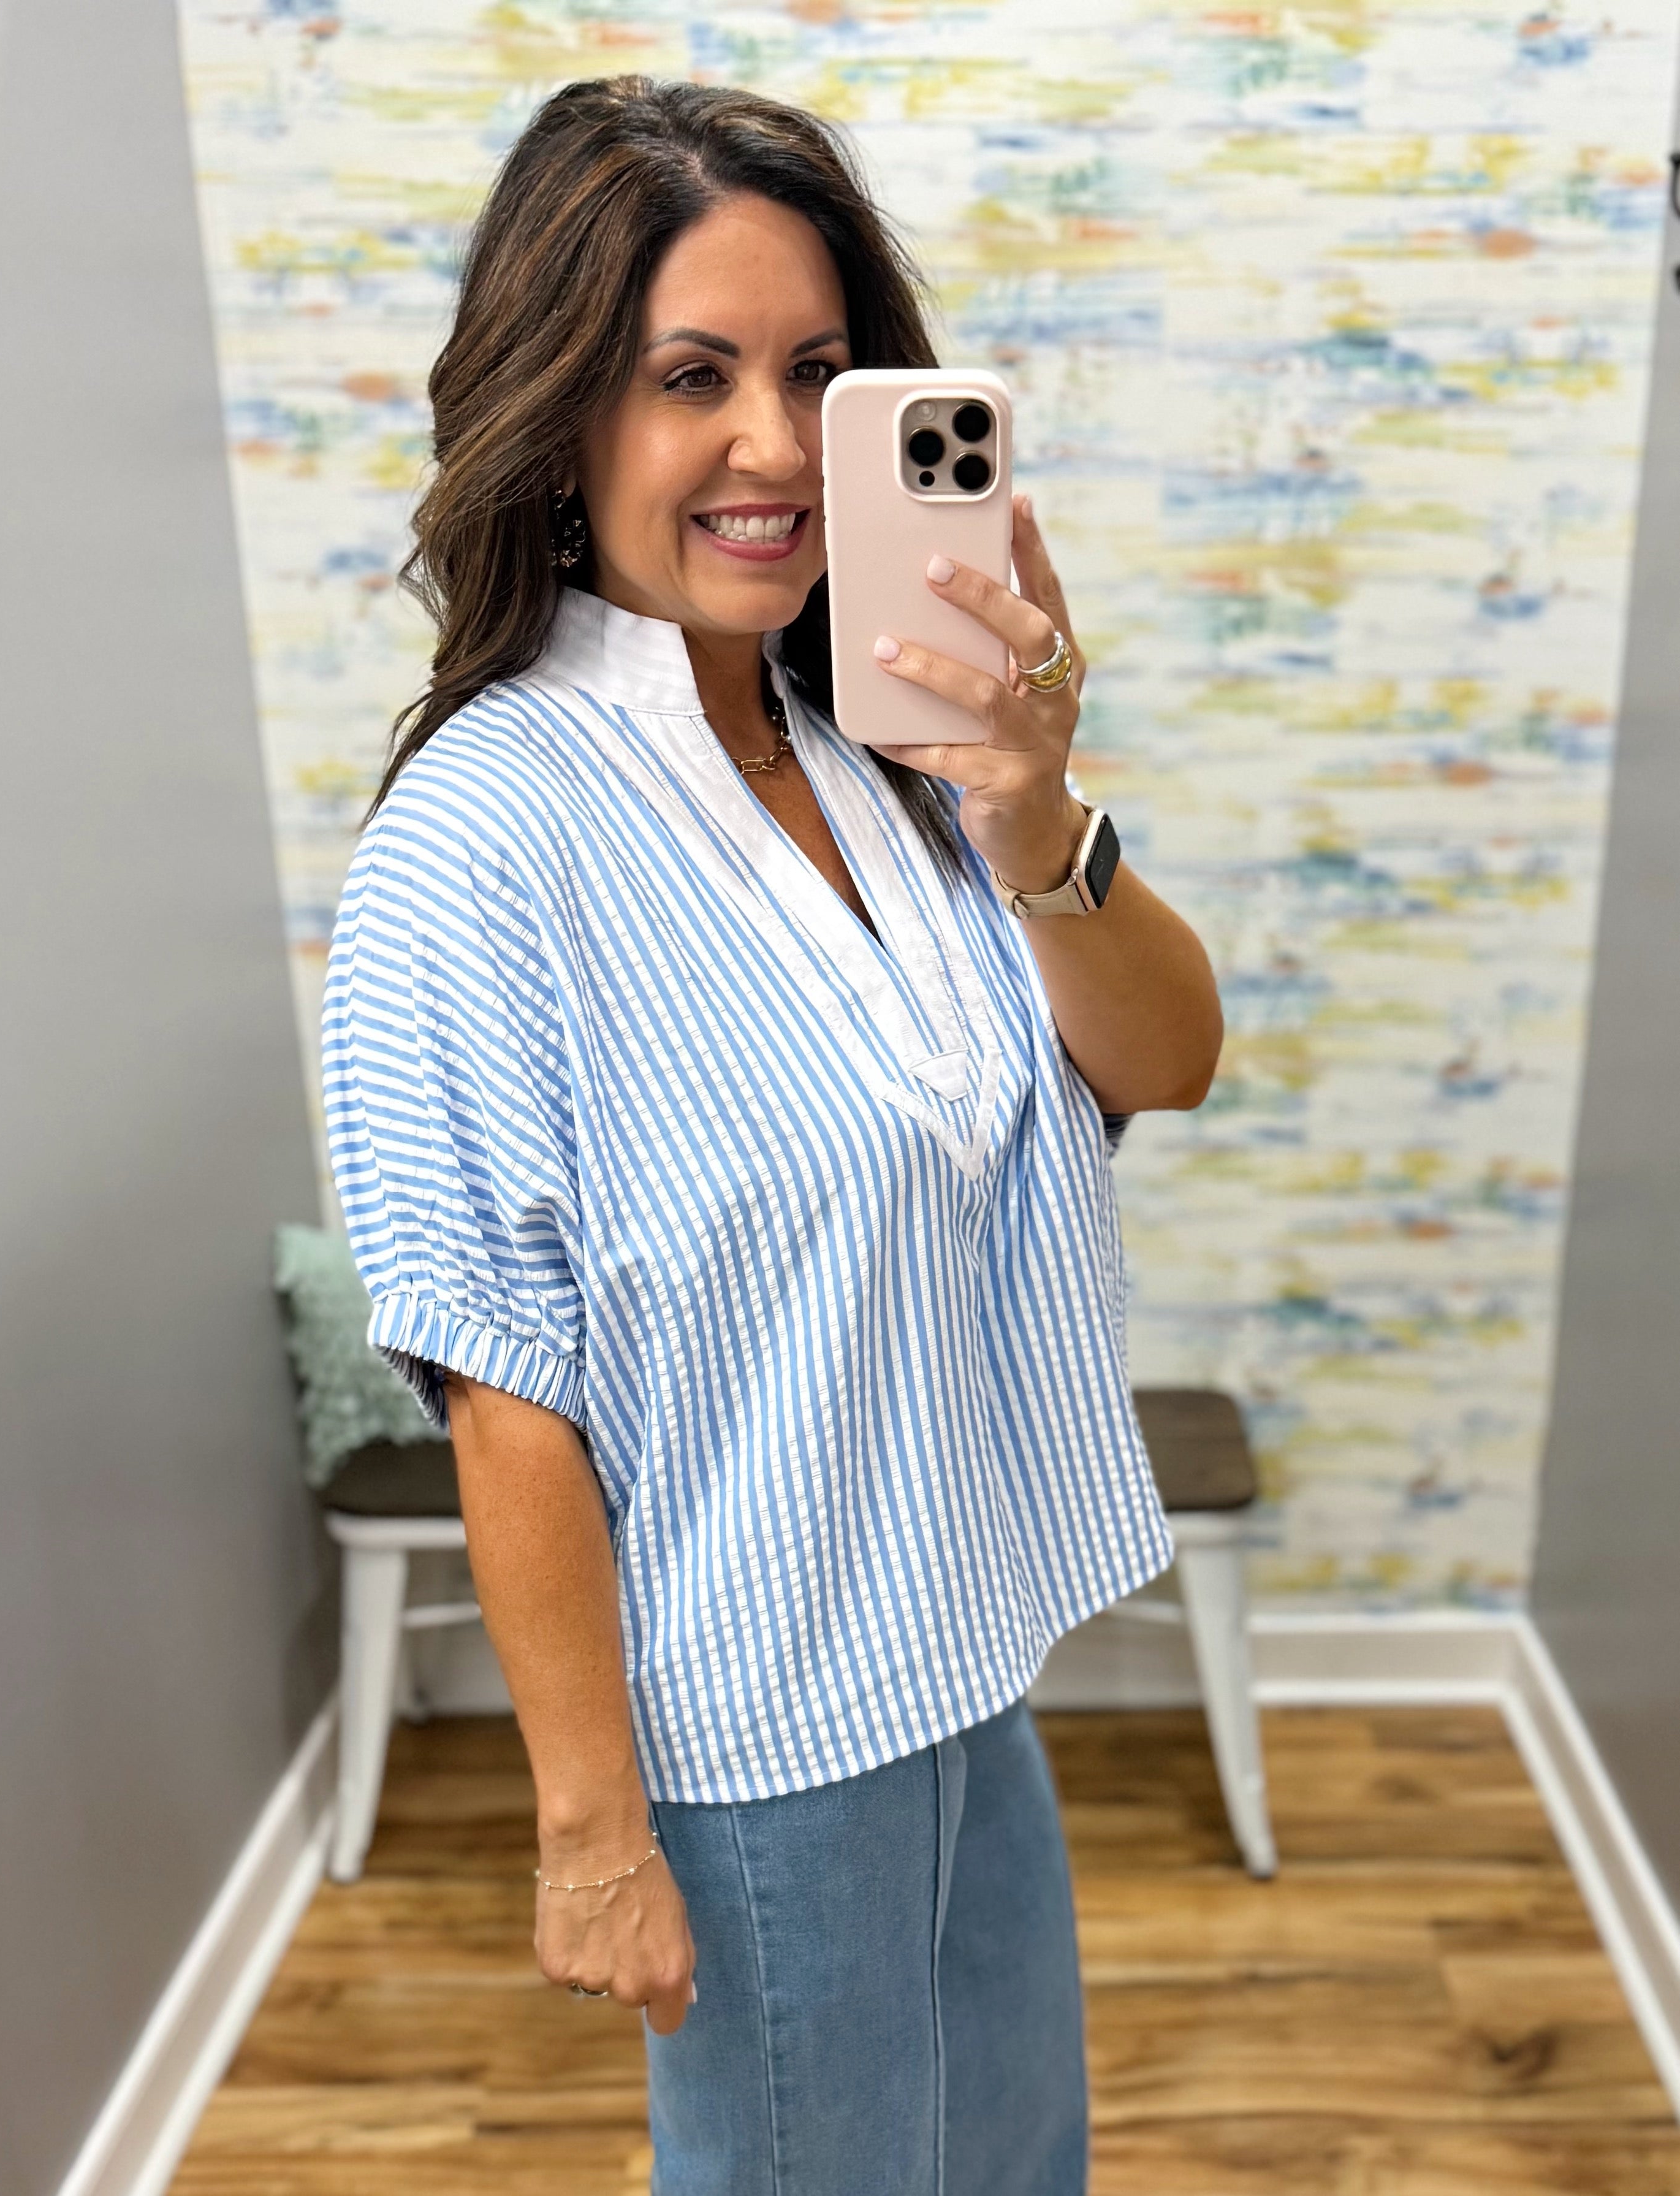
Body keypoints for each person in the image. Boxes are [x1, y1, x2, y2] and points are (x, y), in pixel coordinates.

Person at [321, 75, 1222, 2196]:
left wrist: (1027, 803)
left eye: (816, 376)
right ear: (560, 414)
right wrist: (588, 1833)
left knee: (1009, 2170)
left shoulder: (890, 752)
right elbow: (501, 1374)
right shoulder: (483, 837)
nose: (764, 443)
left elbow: (1159, 1062)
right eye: (686, 377)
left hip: (951, 1653)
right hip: (746, 1735)